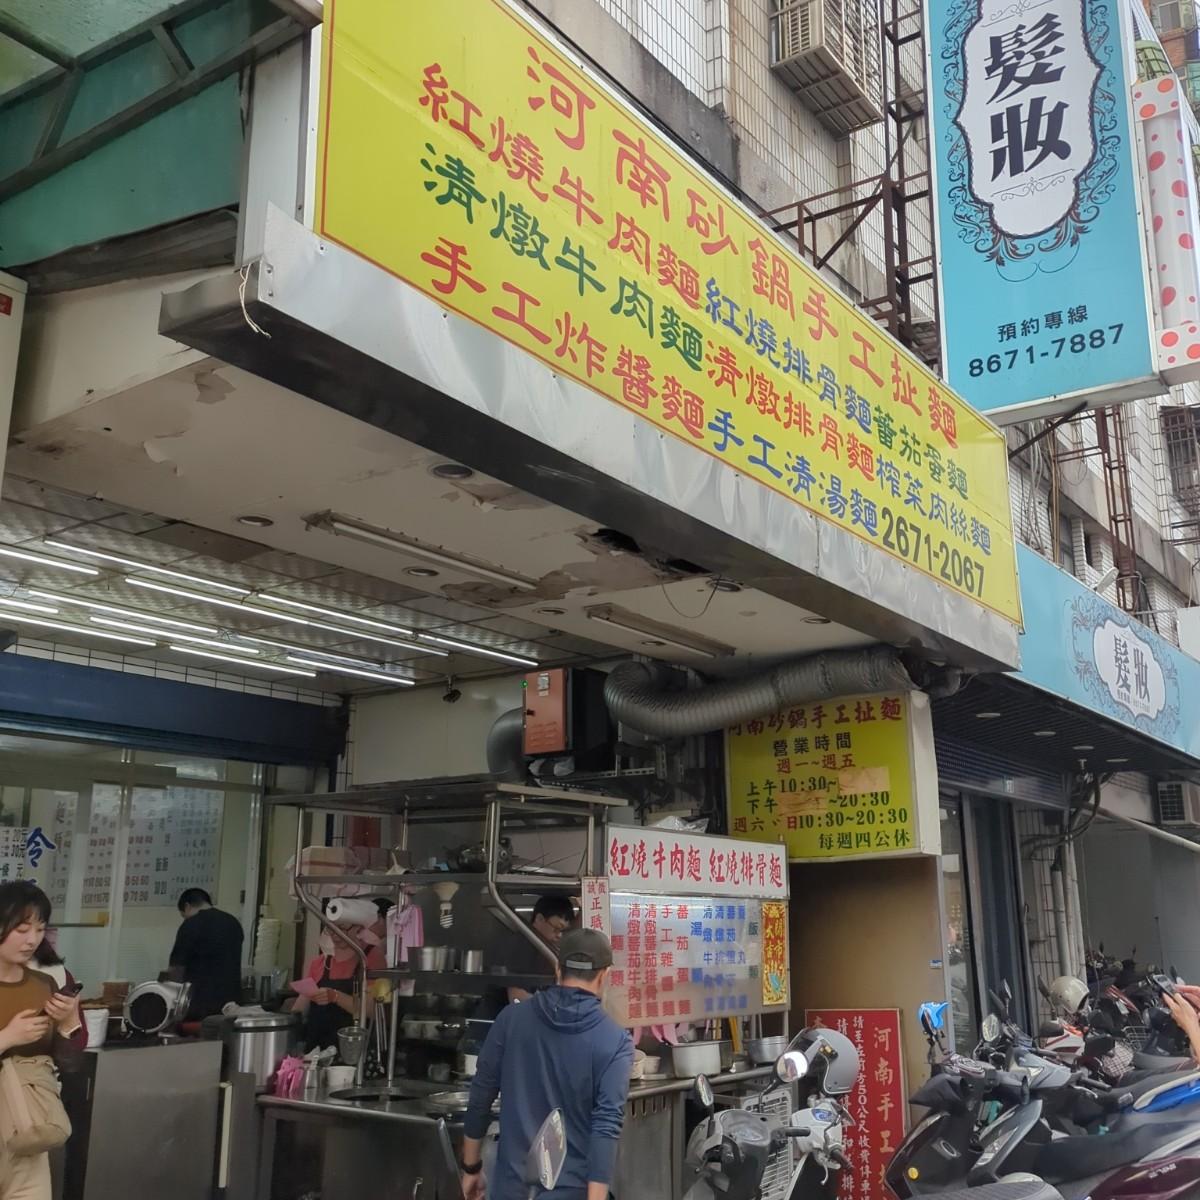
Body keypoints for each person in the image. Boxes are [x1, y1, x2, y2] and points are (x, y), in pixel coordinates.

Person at [461, 928, 632, 1200]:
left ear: (557, 969)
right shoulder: (615, 1041)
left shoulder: (510, 1020)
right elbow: (606, 1126)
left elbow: (481, 1094)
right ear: (604, 975)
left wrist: (471, 1167)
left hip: (512, 1190)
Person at [0, 882, 84, 1200]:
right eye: (22, 929)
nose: (32, 940)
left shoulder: (44, 984)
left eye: (39, 929)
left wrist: (68, 1024)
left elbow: (68, 1065)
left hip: (27, 1136)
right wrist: (7, 1037)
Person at [289, 921, 385, 1051]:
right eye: (330, 929)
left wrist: (335, 996)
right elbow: (300, 1009)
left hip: (353, 1052)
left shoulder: (372, 958)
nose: (335, 934)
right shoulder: (319, 963)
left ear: (358, 926)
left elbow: (372, 1010)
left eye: (342, 927)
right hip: (316, 1052)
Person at [477, 895, 575, 1021]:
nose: (559, 935)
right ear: (539, 918)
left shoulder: (543, 947)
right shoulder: (521, 945)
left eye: (563, 931)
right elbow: (517, 997)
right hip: (499, 1021)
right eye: (556, 929)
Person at [168, 889, 244, 1019]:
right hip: (231, 1006)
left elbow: (176, 968)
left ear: (187, 906)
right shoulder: (233, 922)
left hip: (199, 1006)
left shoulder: (190, 925)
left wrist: (166, 992)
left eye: (183, 915)